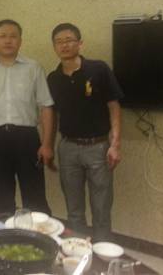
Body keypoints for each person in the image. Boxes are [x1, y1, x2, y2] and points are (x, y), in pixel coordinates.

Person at [47, 22, 123, 241]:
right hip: (68, 148)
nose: (64, 45)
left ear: (80, 43)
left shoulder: (98, 69)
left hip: (98, 147)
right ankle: (78, 249)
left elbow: (114, 106)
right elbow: (51, 114)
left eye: (69, 40)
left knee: (101, 208)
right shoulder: (53, 78)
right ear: (54, 47)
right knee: (73, 209)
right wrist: (48, 146)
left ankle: (101, 251)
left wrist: (115, 144)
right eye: (58, 42)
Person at [0, 19, 54, 214]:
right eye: (2, 36)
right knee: (2, 191)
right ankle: (5, 228)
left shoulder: (34, 68)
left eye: (13, 36)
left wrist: (46, 144)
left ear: (20, 40)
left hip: (27, 137)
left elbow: (46, 106)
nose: (8, 40)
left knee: (34, 192)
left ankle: (37, 231)